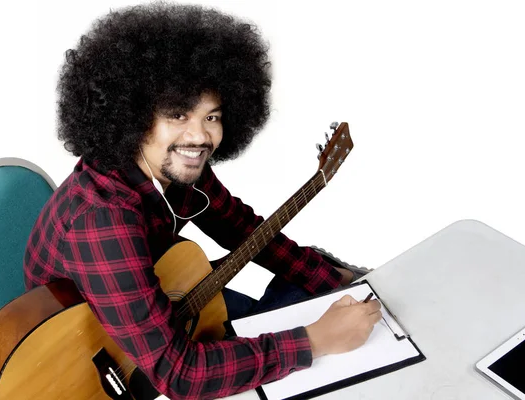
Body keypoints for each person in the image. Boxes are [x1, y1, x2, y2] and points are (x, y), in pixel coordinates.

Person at [24, 2, 381, 399]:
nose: (200, 137)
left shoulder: (173, 165)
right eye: (178, 115)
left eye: (212, 116)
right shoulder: (102, 219)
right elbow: (180, 375)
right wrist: (314, 340)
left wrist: (339, 280)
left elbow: (242, 229)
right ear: (133, 117)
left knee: (312, 286)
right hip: (88, 361)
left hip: (158, 302)